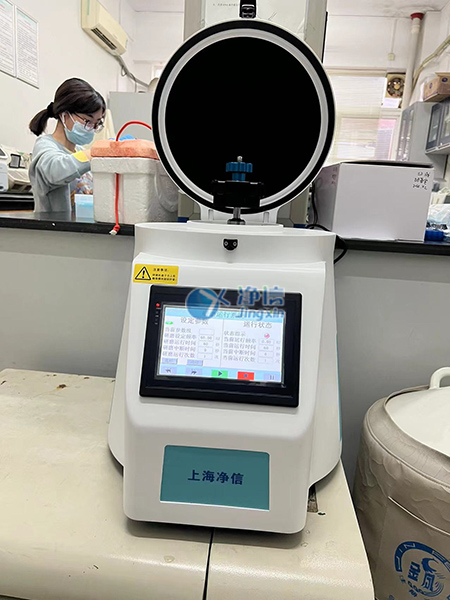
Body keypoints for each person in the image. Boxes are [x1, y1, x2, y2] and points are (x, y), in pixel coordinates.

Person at [29, 78, 106, 212]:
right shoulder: (45, 146)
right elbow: (56, 171)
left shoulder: (80, 151)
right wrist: (96, 153)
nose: (92, 128)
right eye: (88, 121)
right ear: (64, 116)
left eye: (97, 123)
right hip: (55, 226)